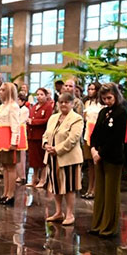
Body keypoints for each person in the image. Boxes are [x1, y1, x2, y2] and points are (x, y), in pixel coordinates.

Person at [89, 83, 127, 237]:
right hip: (99, 155)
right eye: (104, 98)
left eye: (109, 98)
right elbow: (95, 132)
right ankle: (97, 224)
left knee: (110, 193)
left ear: (116, 96)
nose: (107, 101)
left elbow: (116, 137)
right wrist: (93, 148)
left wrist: (101, 153)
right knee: (100, 192)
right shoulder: (103, 111)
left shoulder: (121, 112)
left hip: (112, 157)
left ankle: (108, 227)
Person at [43, 92, 85, 225]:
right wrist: (45, 145)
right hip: (52, 157)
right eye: (61, 102)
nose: (63, 104)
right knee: (55, 185)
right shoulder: (53, 118)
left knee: (68, 186)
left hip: (68, 158)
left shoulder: (77, 118)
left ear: (72, 104)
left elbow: (73, 139)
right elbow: (46, 134)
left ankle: (70, 214)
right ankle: (58, 212)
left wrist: (57, 149)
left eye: (66, 102)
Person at [0, 82, 25, 205]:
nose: (0, 92)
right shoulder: (3, 106)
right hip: (2, 138)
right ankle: (5, 193)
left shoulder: (13, 106)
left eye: (2, 90)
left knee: (11, 167)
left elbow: (15, 126)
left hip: (10, 139)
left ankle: (11, 194)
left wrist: (14, 142)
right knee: (5, 167)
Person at [26, 87, 53, 187]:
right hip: (32, 136)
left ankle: (43, 179)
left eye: (41, 94)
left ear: (46, 96)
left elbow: (47, 120)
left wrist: (33, 122)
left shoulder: (48, 107)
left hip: (41, 135)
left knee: (42, 159)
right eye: (37, 94)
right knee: (33, 159)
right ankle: (35, 178)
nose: (39, 97)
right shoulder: (34, 106)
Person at [82, 81, 103, 199]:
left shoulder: (101, 104)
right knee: (89, 162)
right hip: (87, 134)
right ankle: (89, 187)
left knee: (96, 163)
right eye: (89, 89)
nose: (90, 91)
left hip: (97, 134)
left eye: (93, 89)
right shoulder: (87, 102)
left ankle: (95, 188)